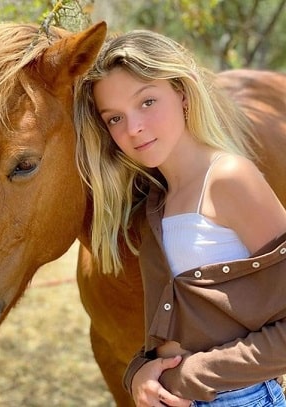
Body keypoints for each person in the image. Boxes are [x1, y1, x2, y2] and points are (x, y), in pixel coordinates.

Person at [74, 29, 286, 407]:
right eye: (114, 118)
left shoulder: (229, 179)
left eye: (148, 101)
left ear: (182, 93)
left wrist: (192, 376)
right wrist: (139, 371)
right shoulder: (152, 205)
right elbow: (172, 324)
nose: (133, 128)